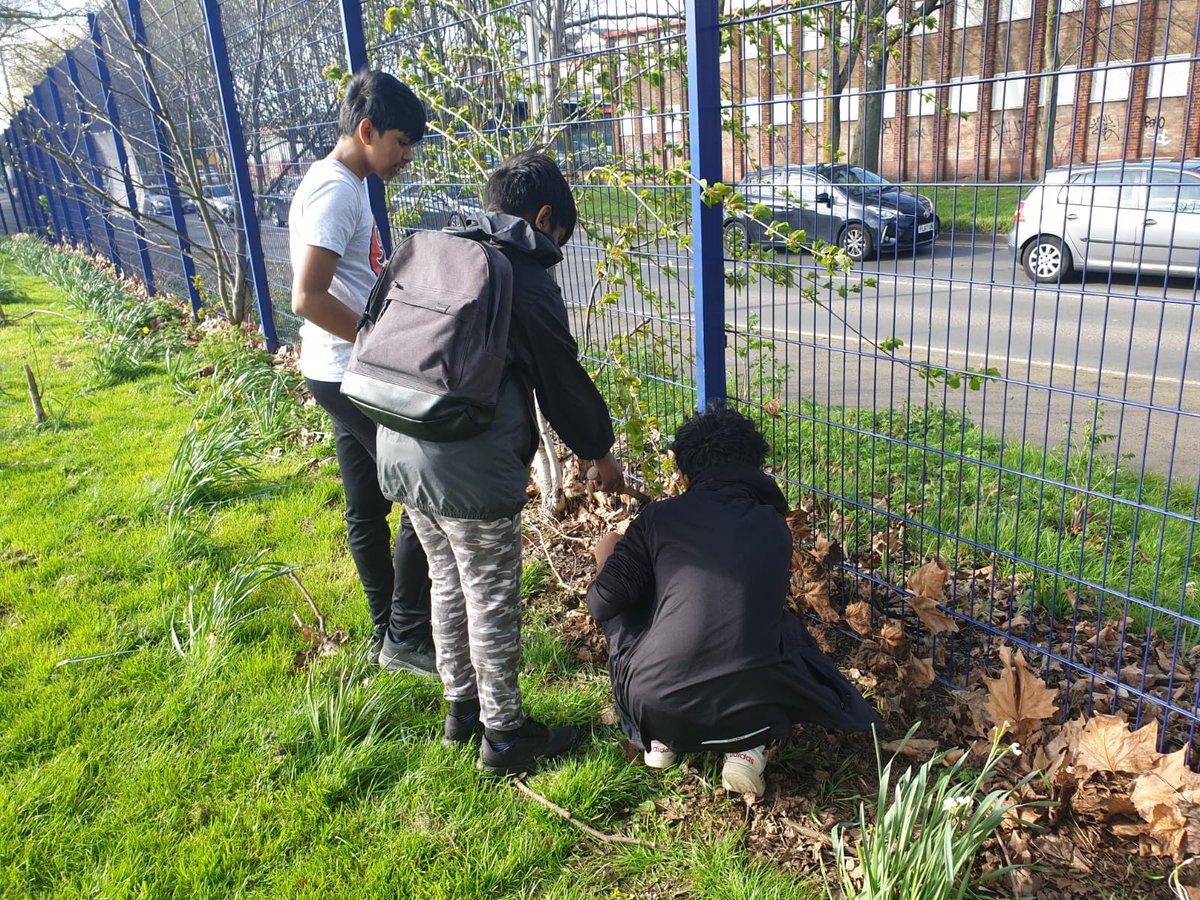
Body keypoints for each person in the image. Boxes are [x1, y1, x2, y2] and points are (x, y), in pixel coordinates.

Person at [376, 152, 626, 774]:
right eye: (560, 238)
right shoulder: (521, 273)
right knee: (490, 595)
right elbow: (561, 381)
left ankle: (460, 712)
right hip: (468, 462)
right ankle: (506, 737)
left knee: (446, 582)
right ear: (545, 217)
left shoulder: (437, 250)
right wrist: (599, 451)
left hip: (403, 443)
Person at [586, 406, 881, 795]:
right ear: (754, 468)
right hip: (751, 706)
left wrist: (606, 554)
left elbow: (602, 604)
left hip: (654, 700)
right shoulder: (775, 527)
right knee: (779, 626)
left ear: (685, 475)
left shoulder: (659, 518)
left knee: (632, 598)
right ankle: (747, 749)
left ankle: (659, 739)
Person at [289, 69, 435, 676]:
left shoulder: (341, 183)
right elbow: (308, 296)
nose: (405, 157)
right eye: (401, 143)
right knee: (427, 490)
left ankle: (387, 636)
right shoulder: (337, 190)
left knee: (367, 507)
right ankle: (404, 635)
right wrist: (377, 343)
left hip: (335, 372)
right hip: (351, 371)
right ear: (368, 129)